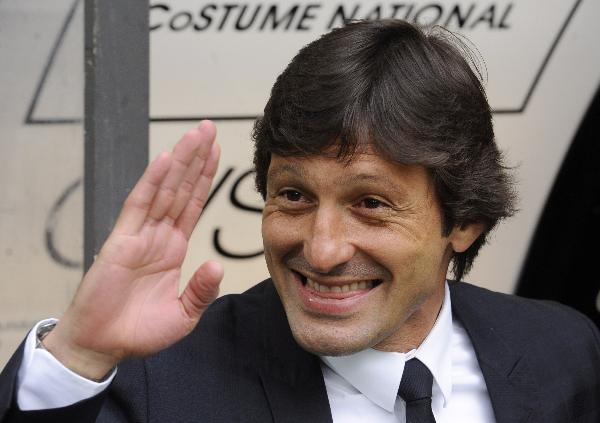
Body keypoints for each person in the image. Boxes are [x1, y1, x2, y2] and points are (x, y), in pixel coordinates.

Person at [1, 19, 599, 423]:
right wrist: (77, 354)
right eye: (293, 195)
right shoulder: (162, 387)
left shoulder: (567, 353)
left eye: (370, 203)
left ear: (463, 220)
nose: (322, 249)